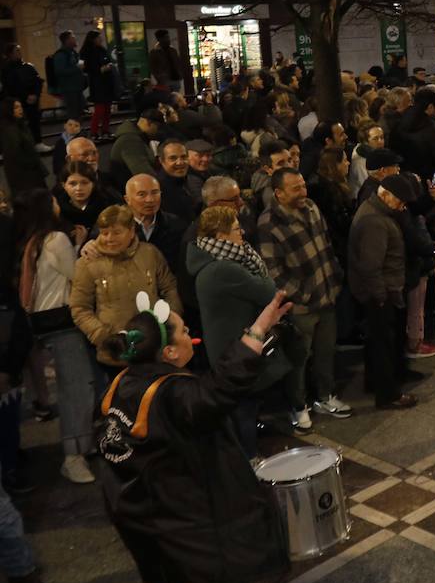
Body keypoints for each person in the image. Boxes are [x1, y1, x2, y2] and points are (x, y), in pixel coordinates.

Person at [97, 290, 292, 583]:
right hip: (198, 532)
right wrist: (258, 330)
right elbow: (217, 392)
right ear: (169, 352)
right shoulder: (174, 394)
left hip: (164, 526)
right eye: (185, 331)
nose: (192, 337)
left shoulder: (124, 384)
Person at [185, 205, 285, 454]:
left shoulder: (216, 260)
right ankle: (248, 460)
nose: (241, 232)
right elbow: (268, 291)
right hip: (235, 350)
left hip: (229, 347)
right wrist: (266, 278)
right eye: (235, 229)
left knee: (245, 406)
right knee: (243, 408)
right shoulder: (223, 268)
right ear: (220, 236)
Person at [17, 188, 97, 484]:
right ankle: (73, 455)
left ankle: (81, 447)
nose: (58, 204)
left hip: (42, 322)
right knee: (77, 388)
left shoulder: (34, 241)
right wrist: (80, 245)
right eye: (53, 201)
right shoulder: (57, 239)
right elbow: (77, 275)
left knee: (75, 385)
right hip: (63, 322)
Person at [257, 168, 350, 425]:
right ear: (279, 193)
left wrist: (335, 278)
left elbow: (326, 245)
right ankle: (298, 406)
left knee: (325, 352)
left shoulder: (311, 207)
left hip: (327, 296)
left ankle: (324, 396)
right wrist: (304, 295)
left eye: (303, 186)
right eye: (296, 189)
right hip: (301, 307)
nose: (303, 192)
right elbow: (273, 271)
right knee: (299, 360)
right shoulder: (269, 223)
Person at [69, 205, 182, 380]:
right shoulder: (87, 263)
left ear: (131, 231)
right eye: (104, 232)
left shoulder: (149, 253)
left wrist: (170, 323)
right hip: (116, 355)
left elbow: (169, 287)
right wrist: (104, 336)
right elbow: (79, 308)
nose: (109, 238)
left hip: (156, 348)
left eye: (116, 232)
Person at [349, 174, 418, 410]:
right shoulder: (374, 221)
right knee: (382, 344)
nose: (402, 207)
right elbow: (371, 265)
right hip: (380, 293)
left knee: (379, 343)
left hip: (380, 290)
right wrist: (380, 296)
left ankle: (377, 383)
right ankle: (388, 395)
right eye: (400, 201)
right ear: (386, 195)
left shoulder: (377, 211)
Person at [2, 43, 45, 151]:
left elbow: (38, 81)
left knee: (34, 122)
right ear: (10, 54)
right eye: (17, 51)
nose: (20, 53)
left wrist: (35, 94)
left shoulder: (28, 66)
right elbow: (10, 86)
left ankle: (38, 143)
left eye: (20, 50)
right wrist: (25, 96)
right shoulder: (6, 70)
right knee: (18, 125)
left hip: (32, 100)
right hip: (17, 101)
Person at [0, 98, 47, 195]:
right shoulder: (9, 130)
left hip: (31, 171)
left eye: (20, 107)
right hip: (24, 174)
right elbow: (14, 154)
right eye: (16, 107)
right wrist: (32, 164)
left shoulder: (20, 125)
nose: (20, 109)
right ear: (8, 110)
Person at [80, 30, 118, 142]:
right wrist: (100, 69)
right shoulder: (86, 52)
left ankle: (106, 130)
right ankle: (94, 132)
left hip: (107, 82)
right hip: (97, 83)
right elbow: (84, 68)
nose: (100, 40)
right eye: (98, 38)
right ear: (92, 39)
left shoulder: (102, 50)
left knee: (107, 109)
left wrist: (109, 65)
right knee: (99, 109)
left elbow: (108, 60)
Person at [51, 30, 86, 122]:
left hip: (77, 88)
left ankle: (78, 132)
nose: (75, 39)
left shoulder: (73, 52)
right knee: (73, 114)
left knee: (80, 112)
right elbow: (60, 71)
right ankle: (72, 134)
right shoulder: (61, 54)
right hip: (69, 89)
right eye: (72, 38)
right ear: (67, 40)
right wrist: (77, 68)